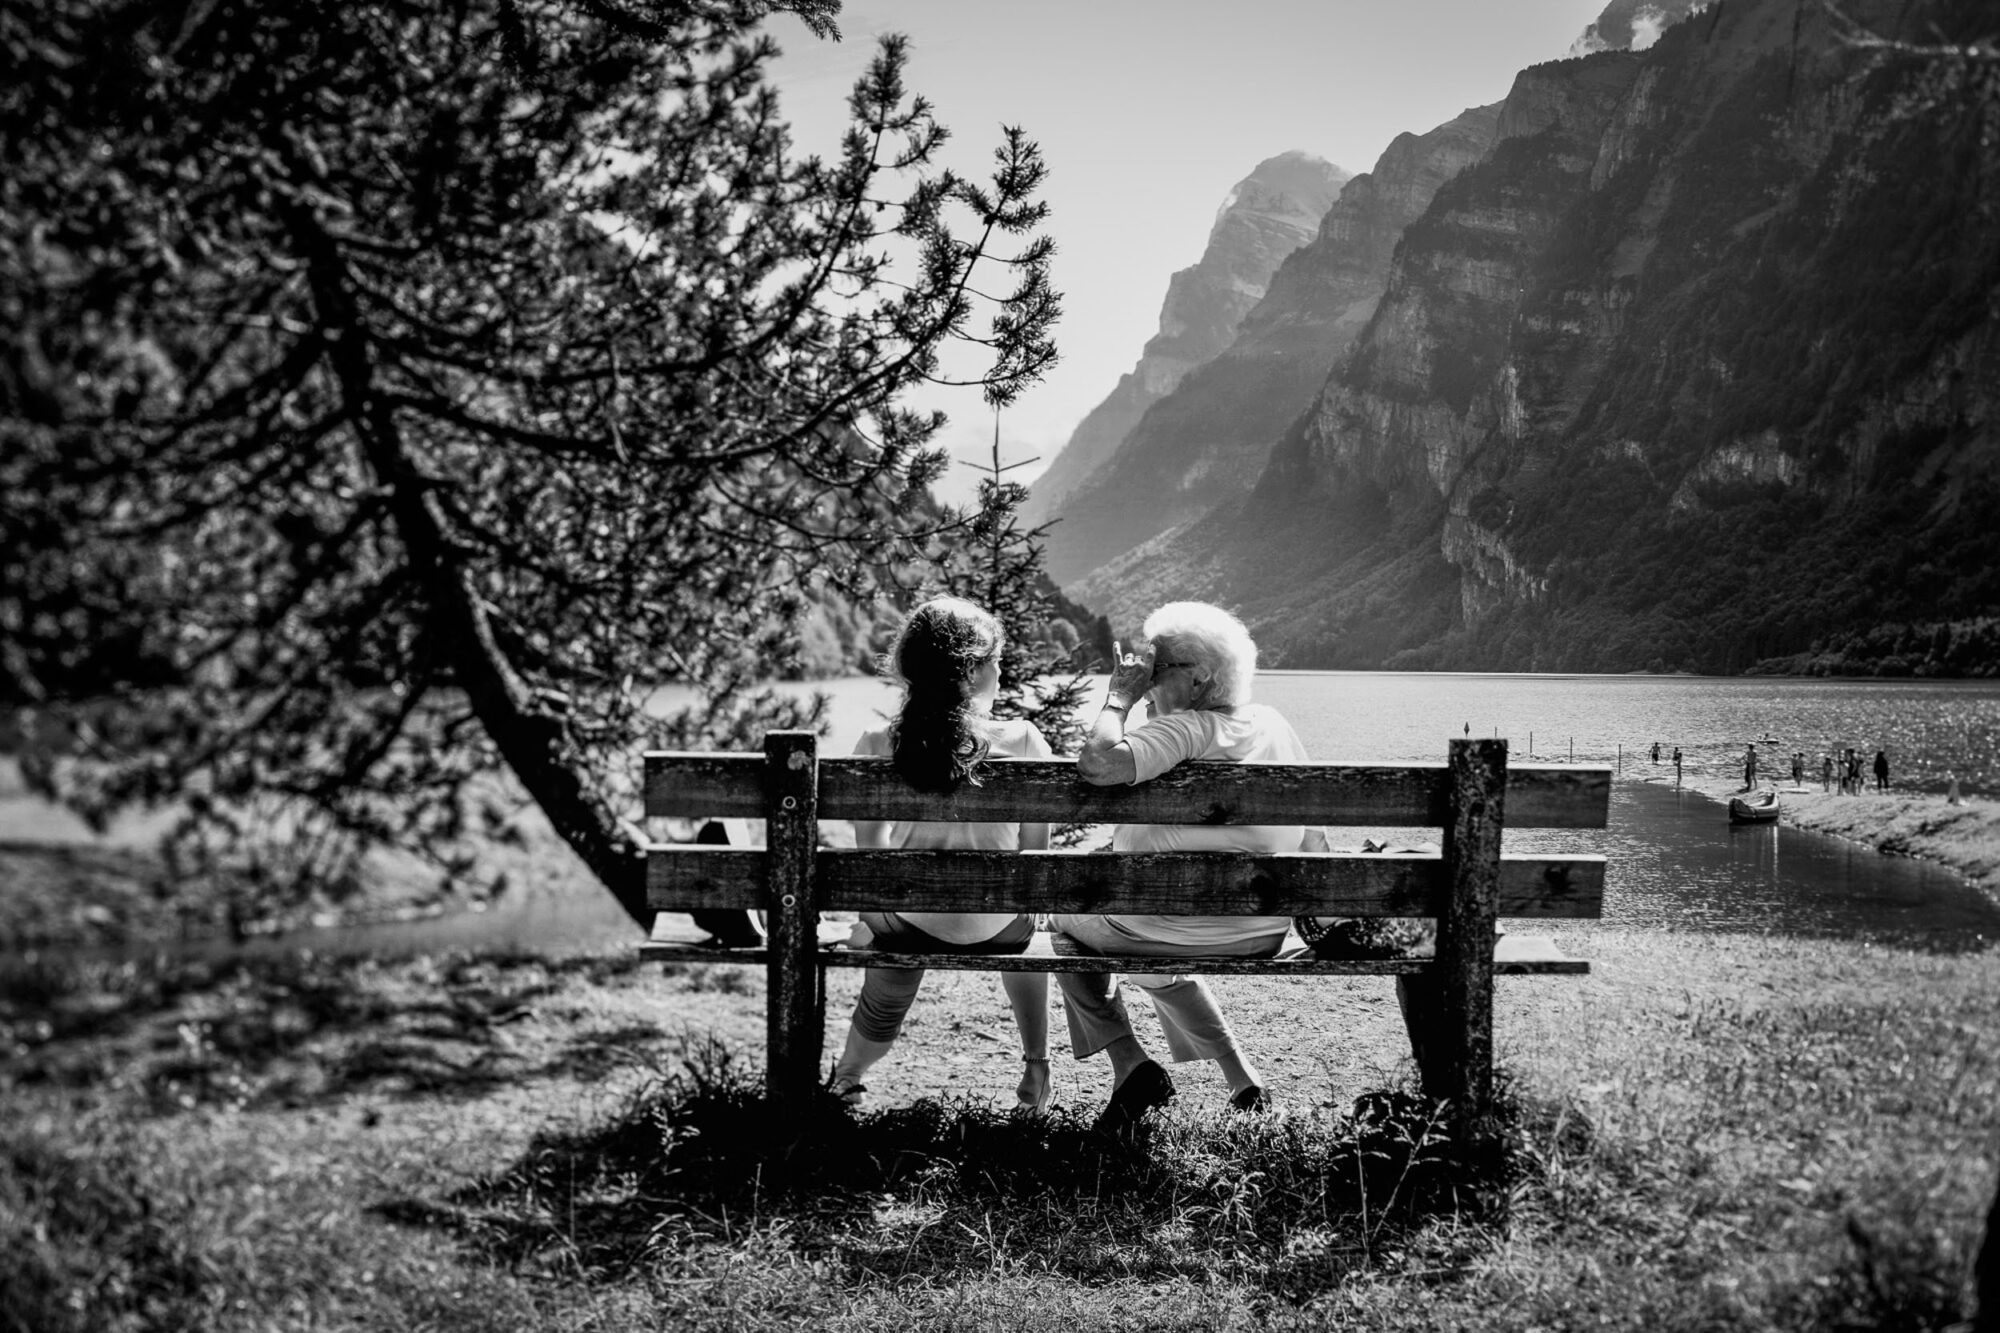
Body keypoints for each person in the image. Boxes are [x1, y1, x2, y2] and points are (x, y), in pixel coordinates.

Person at [1051, 601, 1314, 1133]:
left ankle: (1131, 1066)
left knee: (1062, 924)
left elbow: (1098, 761)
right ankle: (1243, 1080)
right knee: (1156, 949)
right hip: (1259, 932)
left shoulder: (1186, 731)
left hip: (1163, 925)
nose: (1147, 682)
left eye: (1156, 670)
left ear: (1199, 680)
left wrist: (1120, 697)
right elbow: (1315, 836)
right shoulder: (1272, 723)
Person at [827, 596, 1055, 1115]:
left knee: (888, 948)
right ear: (972, 670)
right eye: (996, 660)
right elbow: (1034, 861)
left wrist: (872, 923)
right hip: (1000, 925)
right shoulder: (1022, 740)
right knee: (1023, 923)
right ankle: (1036, 1068)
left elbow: (872, 862)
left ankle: (848, 1077)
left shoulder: (875, 741)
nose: (1001, 671)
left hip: (907, 919)